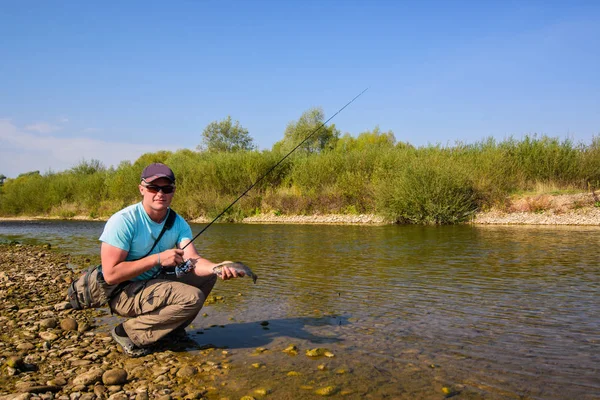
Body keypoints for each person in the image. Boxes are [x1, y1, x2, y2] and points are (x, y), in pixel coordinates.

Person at [100, 162, 244, 357]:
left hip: (152, 285)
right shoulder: (123, 221)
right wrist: (157, 259)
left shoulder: (178, 222)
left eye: (166, 188)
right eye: (153, 187)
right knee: (192, 298)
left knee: (208, 277)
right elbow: (110, 275)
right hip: (123, 292)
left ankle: (171, 330)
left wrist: (216, 267)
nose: (160, 193)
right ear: (141, 189)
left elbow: (192, 259)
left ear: (173, 191)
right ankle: (128, 332)